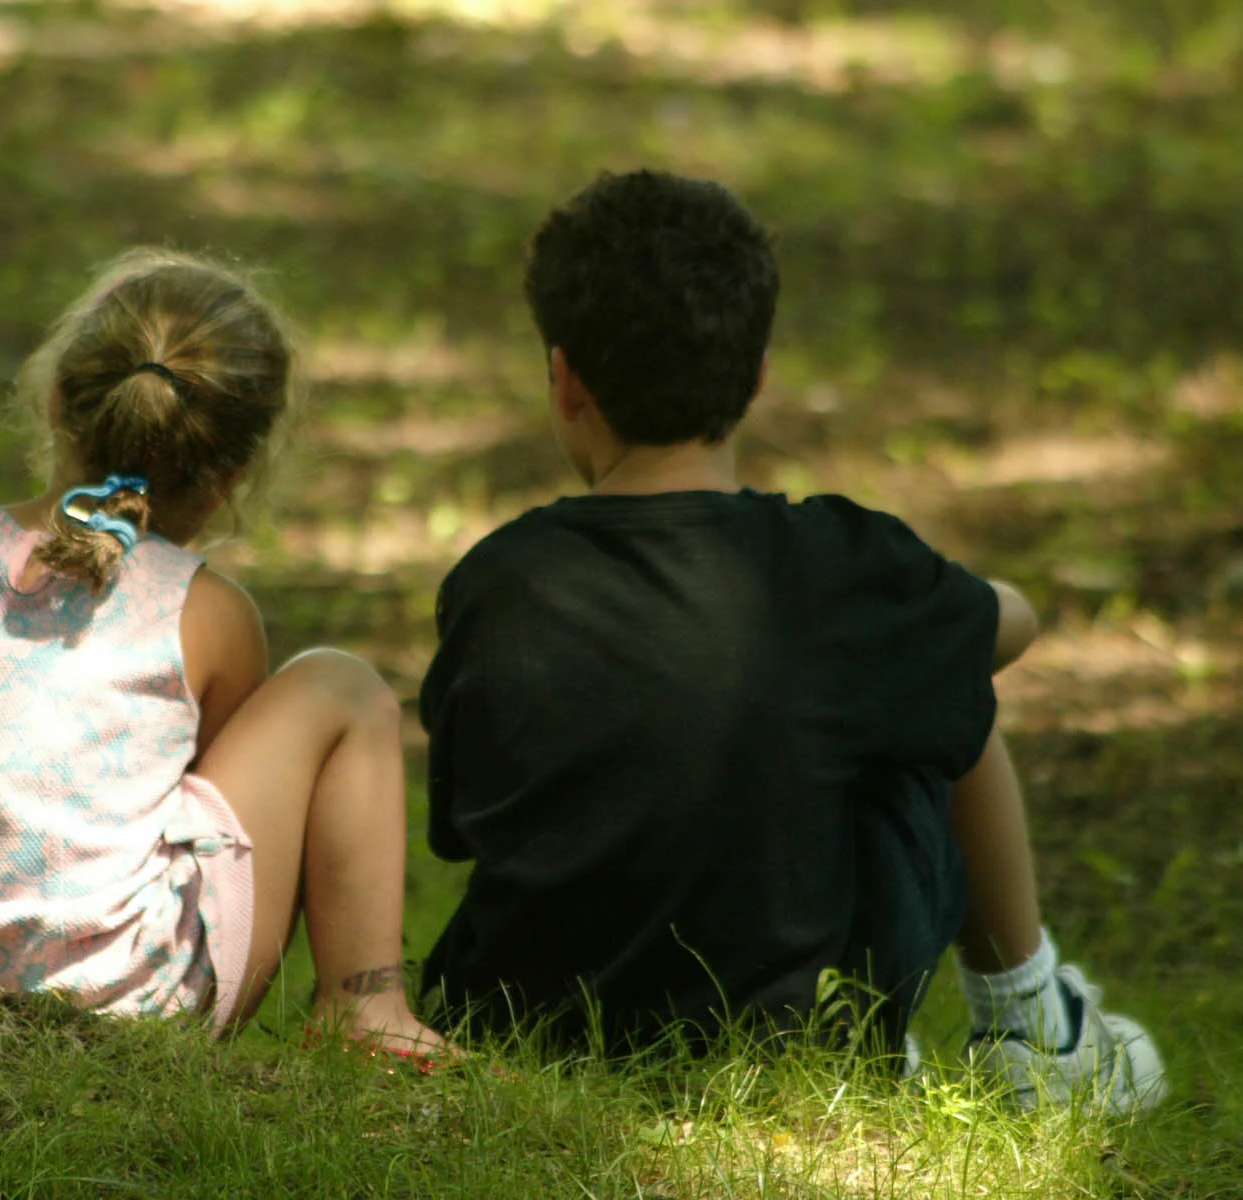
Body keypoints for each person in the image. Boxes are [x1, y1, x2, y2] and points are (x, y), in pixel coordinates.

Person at [416, 168, 1165, 1110]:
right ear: (760, 373)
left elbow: (463, 826)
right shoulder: (841, 565)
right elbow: (1008, 624)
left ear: (565, 379)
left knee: (920, 656)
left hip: (517, 1023)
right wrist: (952, 612)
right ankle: (1033, 1031)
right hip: (787, 1047)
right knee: (939, 667)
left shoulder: (497, 580)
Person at [0, 248, 444, 1062]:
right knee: (343, 684)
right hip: (133, 1006)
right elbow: (216, 806)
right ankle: (365, 1008)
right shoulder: (208, 611)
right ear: (236, 471)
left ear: (55, 402)